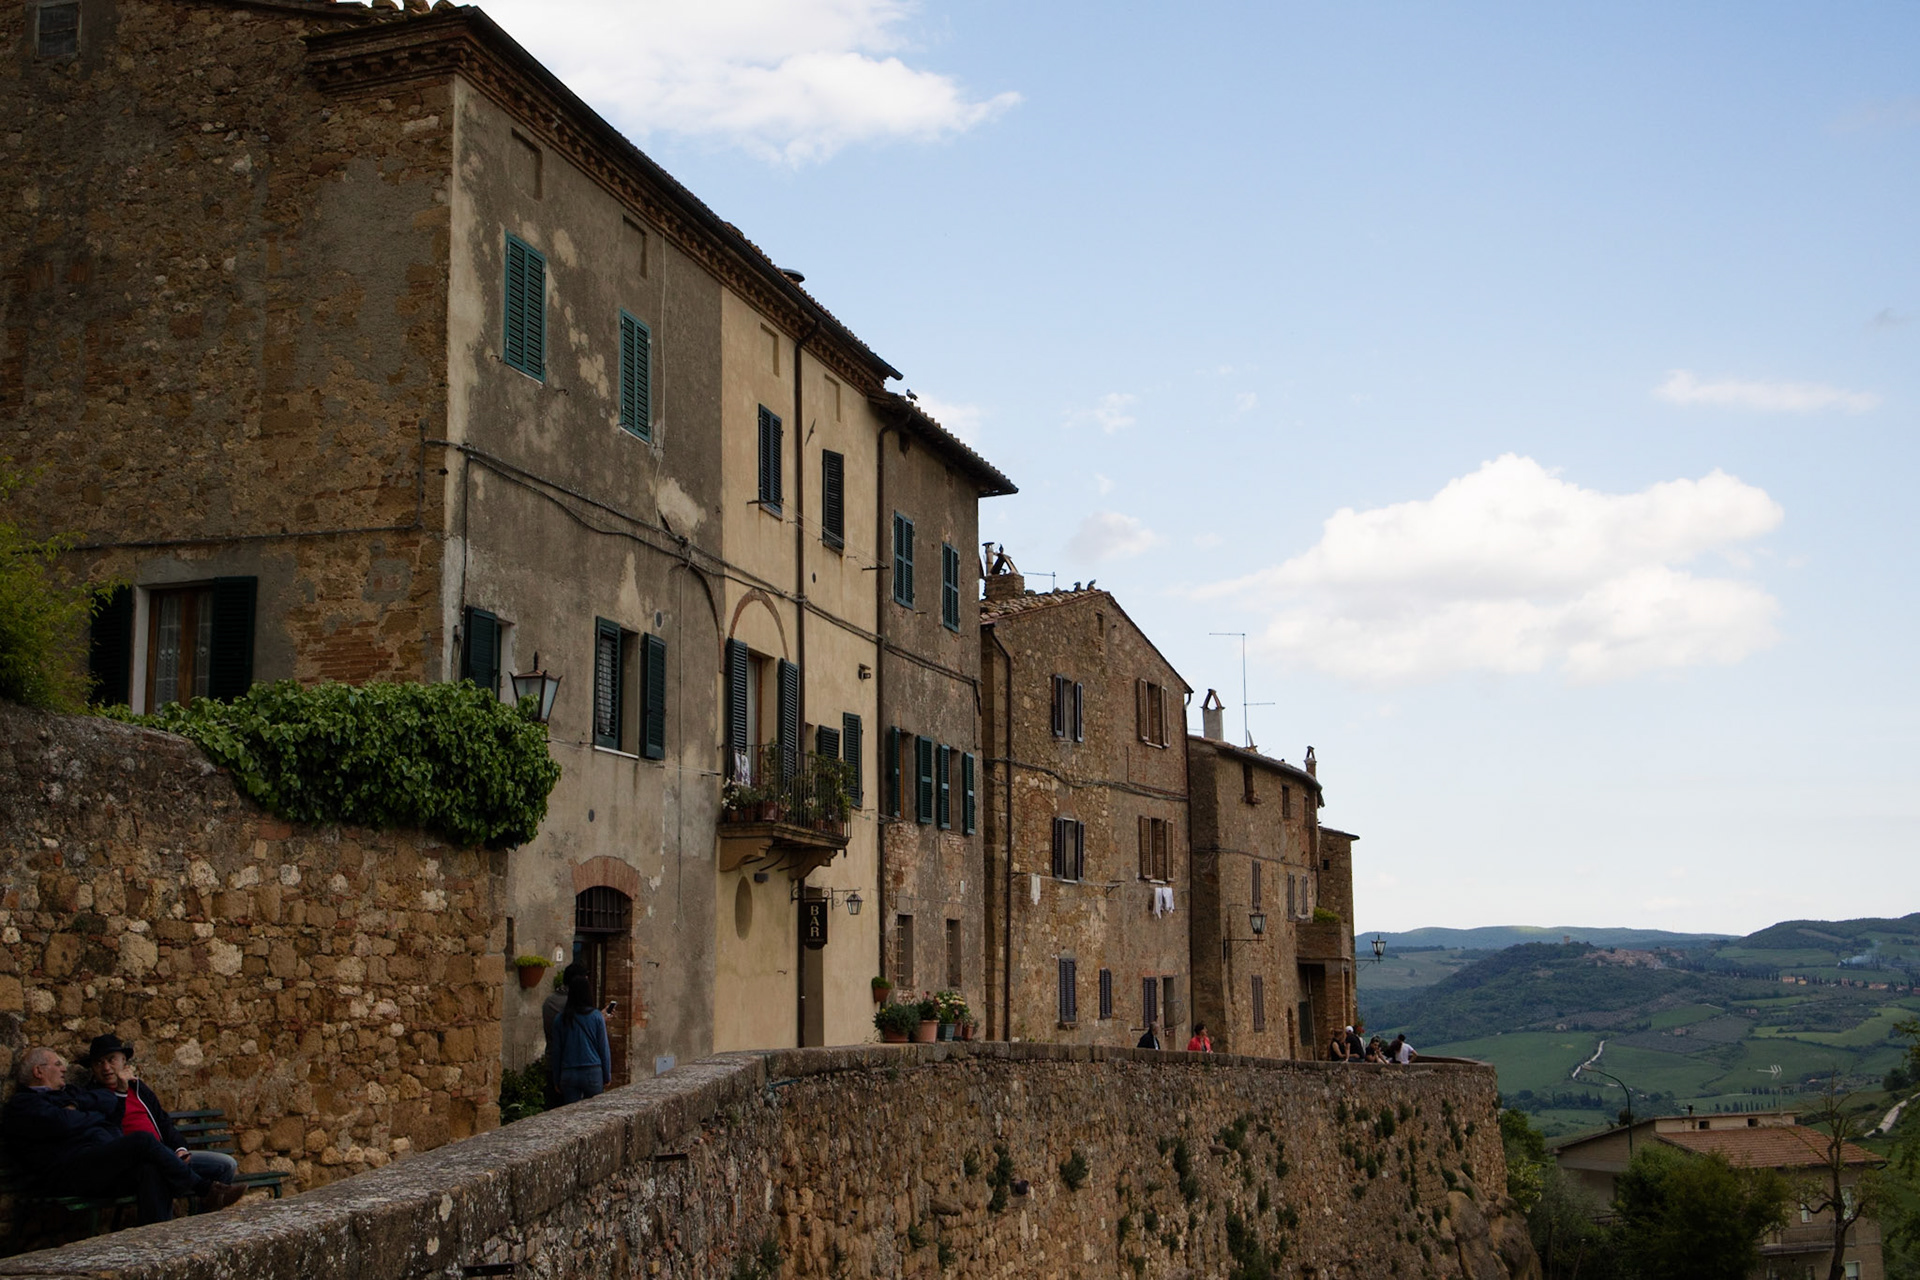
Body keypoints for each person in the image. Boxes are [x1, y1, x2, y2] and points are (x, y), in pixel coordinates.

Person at [1, 1046, 243, 1224]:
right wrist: (91, 1115)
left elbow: (108, 1105)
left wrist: (81, 1111)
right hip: (72, 1171)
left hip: (101, 1164)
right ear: (38, 1071)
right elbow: (64, 1123)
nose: (64, 1069)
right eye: (56, 1064)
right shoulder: (24, 1104)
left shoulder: (69, 1094)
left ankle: (158, 1241)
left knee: (151, 1167)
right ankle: (204, 1190)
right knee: (142, 1141)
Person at [83, 1034, 240, 1192]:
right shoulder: (93, 1097)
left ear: (124, 1061)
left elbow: (163, 1121)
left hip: (166, 1154)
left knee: (226, 1165)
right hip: (135, 1165)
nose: (106, 1068)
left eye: (111, 1060)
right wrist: (121, 1092)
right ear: (93, 1068)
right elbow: (111, 1128)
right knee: (156, 1174)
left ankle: (205, 1211)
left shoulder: (138, 1088)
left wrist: (180, 1149)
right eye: (99, 1062)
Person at [551, 975, 612, 1104]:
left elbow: (556, 1052)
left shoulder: (560, 1019)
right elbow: (603, 1048)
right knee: (595, 1115)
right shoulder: (596, 1017)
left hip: (569, 1072)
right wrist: (607, 1075)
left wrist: (556, 1079)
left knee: (571, 1116)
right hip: (592, 1071)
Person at [541, 961, 587, 1106]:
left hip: (552, 1062)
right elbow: (579, 1034)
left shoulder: (549, 1002)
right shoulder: (573, 1006)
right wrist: (598, 1019)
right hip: (572, 1066)